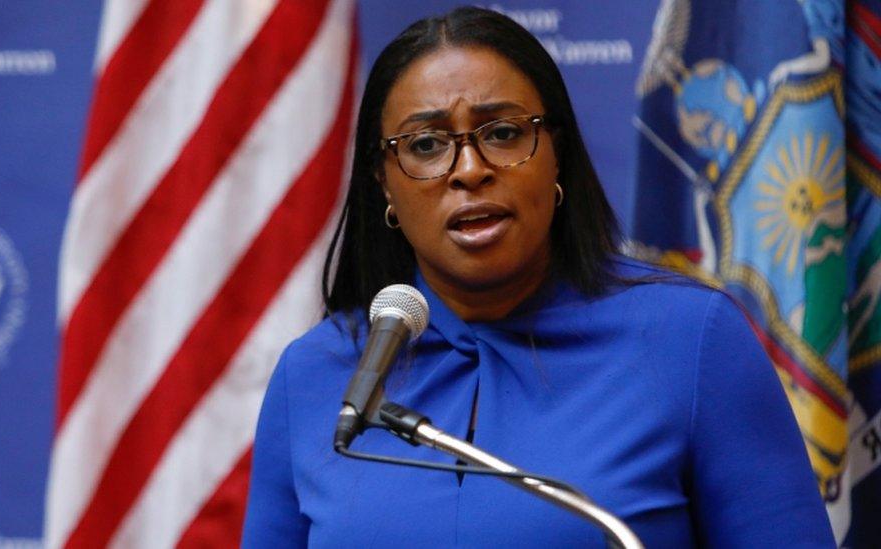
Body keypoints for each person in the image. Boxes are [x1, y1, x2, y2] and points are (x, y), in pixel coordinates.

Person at [242, 6, 834, 548]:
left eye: (501, 133)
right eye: (425, 144)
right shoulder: (318, 376)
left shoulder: (691, 340)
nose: (469, 170)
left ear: (558, 154)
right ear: (385, 184)